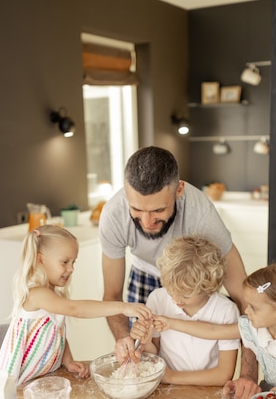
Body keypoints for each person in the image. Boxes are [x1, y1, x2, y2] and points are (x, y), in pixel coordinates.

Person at [99, 145, 249, 364]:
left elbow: (244, 297)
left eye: (158, 210)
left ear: (179, 190)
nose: (147, 222)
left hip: (193, 278)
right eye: (137, 210)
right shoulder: (114, 214)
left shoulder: (202, 215)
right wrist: (124, 338)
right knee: (144, 358)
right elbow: (112, 295)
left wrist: (247, 374)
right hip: (145, 274)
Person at [153, 262, 276, 399]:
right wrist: (171, 323)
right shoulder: (253, 328)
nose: (245, 311)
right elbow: (212, 330)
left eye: (253, 307)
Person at [0, 225, 152, 386]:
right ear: (40, 259)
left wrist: (68, 360)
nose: (71, 269)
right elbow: (75, 309)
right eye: (65, 262)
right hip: (15, 385)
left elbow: (56, 334)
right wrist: (122, 307)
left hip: (39, 380)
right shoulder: (36, 294)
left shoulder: (55, 295)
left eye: (73, 262)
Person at [130, 236, 240, 386]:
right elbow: (152, 353)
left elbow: (223, 375)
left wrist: (172, 377)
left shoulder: (225, 311)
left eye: (186, 295)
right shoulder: (158, 298)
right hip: (166, 390)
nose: (176, 299)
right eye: (170, 290)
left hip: (208, 392)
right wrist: (145, 340)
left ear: (208, 287)